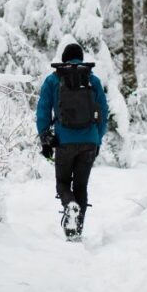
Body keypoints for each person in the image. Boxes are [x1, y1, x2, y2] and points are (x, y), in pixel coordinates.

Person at [36, 43, 109, 240]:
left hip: (64, 142)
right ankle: (75, 232)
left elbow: (43, 110)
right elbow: (103, 113)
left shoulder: (53, 80)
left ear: (64, 59)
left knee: (62, 183)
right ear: (81, 58)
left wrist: (45, 138)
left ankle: (69, 205)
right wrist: (97, 139)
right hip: (89, 143)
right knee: (81, 187)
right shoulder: (92, 80)